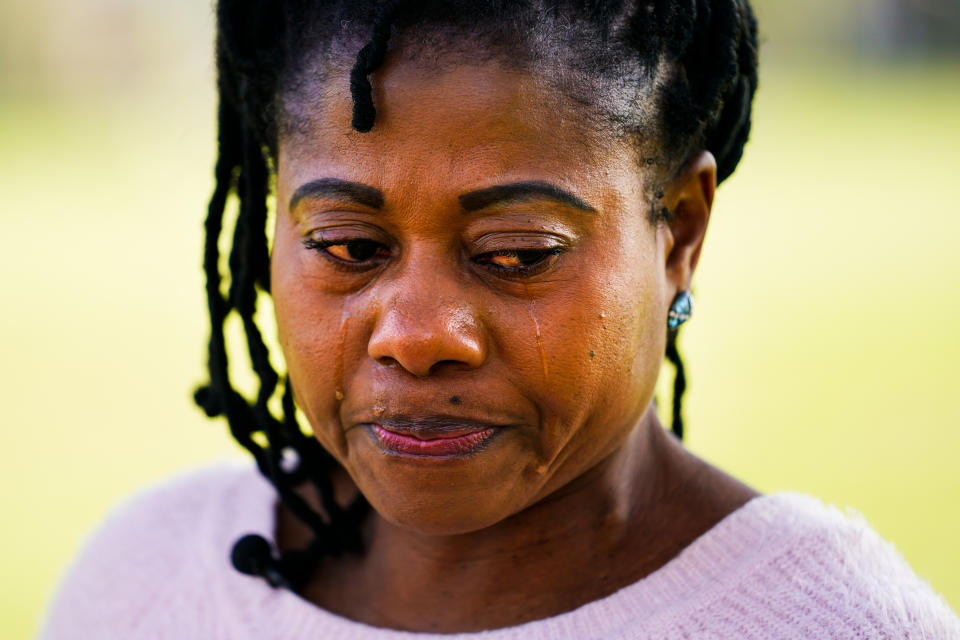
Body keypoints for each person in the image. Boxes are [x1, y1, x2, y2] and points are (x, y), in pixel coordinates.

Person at [40, 1, 960, 637]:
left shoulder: (831, 624)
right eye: (349, 248)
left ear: (679, 231)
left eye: (517, 254)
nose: (418, 333)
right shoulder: (145, 584)